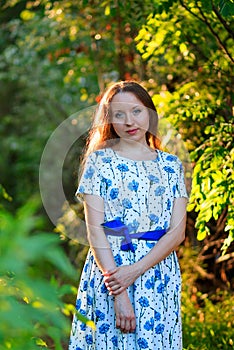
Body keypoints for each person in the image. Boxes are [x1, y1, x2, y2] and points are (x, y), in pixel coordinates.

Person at [69, 81, 188, 350]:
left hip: (157, 273)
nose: (129, 121)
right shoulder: (99, 163)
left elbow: (177, 232)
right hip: (110, 272)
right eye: (119, 114)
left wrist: (133, 272)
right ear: (110, 120)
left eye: (136, 111)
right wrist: (119, 289)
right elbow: (95, 230)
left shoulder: (171, 166)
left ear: (149, 112)